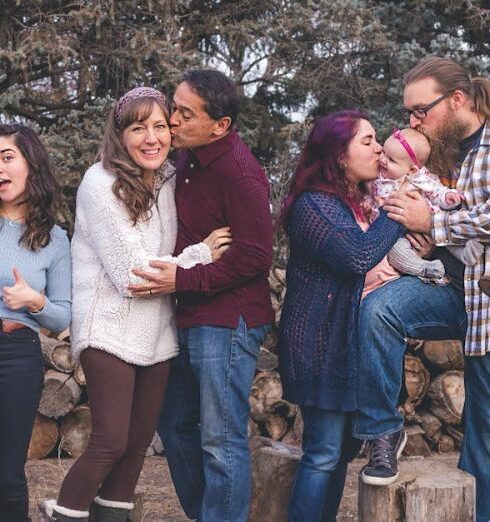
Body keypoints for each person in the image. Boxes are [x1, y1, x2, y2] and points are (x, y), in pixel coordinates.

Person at [40, 87, 230, 522]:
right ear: (120, 134)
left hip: (157, 333)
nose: (151, 137)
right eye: (138, 127)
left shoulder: (167, 179)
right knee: (110, 440)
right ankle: (64, 514)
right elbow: (132, 277)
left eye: (160, 126)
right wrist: (199, 256)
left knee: (138, 445)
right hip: (107, 327)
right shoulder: (100, 182)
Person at [128, 70, 274, 522]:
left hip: (228, 321)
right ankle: (209, 513)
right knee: (174, 424)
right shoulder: (186, 162)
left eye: (185, 114)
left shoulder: (240, 174)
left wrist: (181, 280)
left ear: (221, 125)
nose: (171, 120)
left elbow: (255, 256)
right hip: (187, 316)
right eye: (175, 106)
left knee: (220, 438)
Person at [353, 56, 490, 522]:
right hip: (456, 288)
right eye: (409, 112)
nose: (412, 121)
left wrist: (433, 222)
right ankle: (383, 433)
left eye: (419, 111)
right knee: (378, 310)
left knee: (483, 435)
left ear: (456, 99)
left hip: (485, 300)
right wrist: (425, 238)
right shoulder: (447, 149)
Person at [278, 109, 405, 521]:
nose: (379, 148)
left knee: (338, 454)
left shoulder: (351, 203)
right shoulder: (313, 205)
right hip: (319, 347)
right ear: (338, 154)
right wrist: (396, 213)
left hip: (345, 348)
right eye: (367, 141)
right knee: (324, 452)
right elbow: (358, 255)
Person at [0, 124, 71, 522]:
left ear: (31, 165)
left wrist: (35, 301)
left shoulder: (53, 239)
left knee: (7, 475)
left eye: (7, 157)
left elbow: (63, 313)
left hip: (16, 355)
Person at [364, 127, 483, 284]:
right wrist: (366, 201)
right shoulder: (377, 178)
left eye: (391, 160)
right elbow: (371, 197)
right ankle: (425, 269)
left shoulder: (420, 178)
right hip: (400, 235)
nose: (383, 160)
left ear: (412, 169)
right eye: (384, 153)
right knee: (396, 253)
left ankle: (466, 253)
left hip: (430, 225)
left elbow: (437, 191)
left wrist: (448, 197)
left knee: (446, 236)